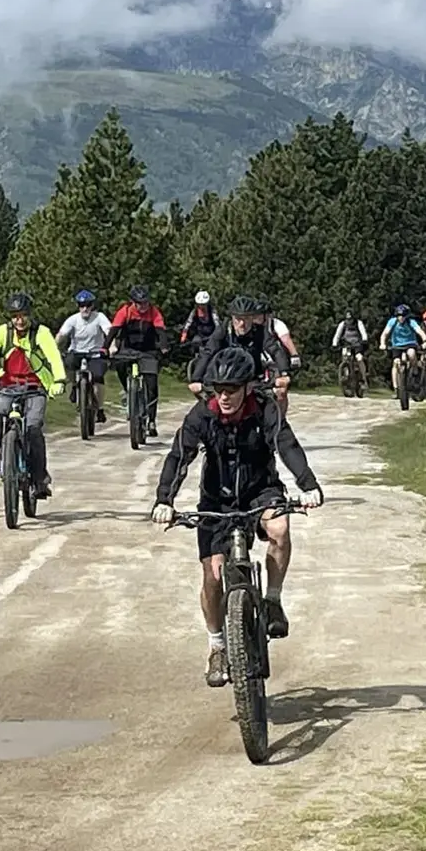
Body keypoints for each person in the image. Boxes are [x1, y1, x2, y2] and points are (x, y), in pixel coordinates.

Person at [151, 346, 323, 686]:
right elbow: (179, 456)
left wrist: (308, 485)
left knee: (280, 527)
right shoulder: (202, 415)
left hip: (261, 491)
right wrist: (164, 500)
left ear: (247, 387)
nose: (225, 396)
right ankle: (216, 645)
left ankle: (272, 600)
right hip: (216, 501)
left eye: (232, 389)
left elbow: (286, 444)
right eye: (219, 389)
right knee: (213, 577)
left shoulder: (264, 410)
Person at [0, 292, 66, 498]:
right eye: (15, 316)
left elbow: (54, 356)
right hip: (9, 385)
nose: (19, 320)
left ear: (29, 314)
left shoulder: (41, 333)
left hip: (35, 387)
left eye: (23, 315)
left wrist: (59, 380)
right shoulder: (2, 333)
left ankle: (40, 478)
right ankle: (3, 449)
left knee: (33, 427)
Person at [188, 295, 290, 404]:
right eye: (238, 319)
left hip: (252, 381)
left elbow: (275, 350)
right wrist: (196, 379)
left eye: (246, 319)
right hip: (226, 380)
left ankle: (280, 421)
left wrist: (284, 374)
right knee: (207, 409)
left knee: (280, 396)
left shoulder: (260, 331)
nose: (242, 324)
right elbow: (208, 352)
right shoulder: (223, 330)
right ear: (232, 318)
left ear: (253, 318)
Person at [106, 285, 169, 436]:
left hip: (148, 350)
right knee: (120, 366)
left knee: (152, 384)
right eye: (140, 303)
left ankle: (152, 420)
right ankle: (128, 391)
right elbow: (114, 330)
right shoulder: (125, 311)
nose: (143, 306)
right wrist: (104, 347)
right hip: (129, 349)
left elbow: (161, 331)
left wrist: (164, 347)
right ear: (133, 302)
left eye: (145, 303)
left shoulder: (154, 312)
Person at [56, 289, 111, 423]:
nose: (85, 308)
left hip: (96, 353)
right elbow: (62, 335)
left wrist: (111, 346)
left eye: (87, 305)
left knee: (98, 377)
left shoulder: (99, 317)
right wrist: (54, 347)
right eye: (82, 306)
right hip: (77, 352)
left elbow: (109, 331)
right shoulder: (73, 319)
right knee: (68, 364)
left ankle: (99, 408)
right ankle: (75, 386)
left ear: (92, 306)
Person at [380, 303, 426, 387]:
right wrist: (382, 343)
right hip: (396, 345)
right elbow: (385, 333)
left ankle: (415, 372)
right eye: (399, 315)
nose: (401, 317)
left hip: (410, 343)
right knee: (395, 363)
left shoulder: (411, 322)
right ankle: (396, 387)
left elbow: (420, 331)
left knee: (412, 354)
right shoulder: (392, 322)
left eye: (403, 315)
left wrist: (425, 340)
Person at [332, 309, 370, 383]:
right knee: (344, 356)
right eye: (348, 319)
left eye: (351, 319)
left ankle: (363, 376)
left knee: (359, 358)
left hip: (357, 344)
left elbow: (363, 332)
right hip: (347, 344)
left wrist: (365, 339)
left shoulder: (358, 323)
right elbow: (337, 334)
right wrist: (334, 343)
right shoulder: (343, 324)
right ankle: (346, 374)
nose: (349, 321)